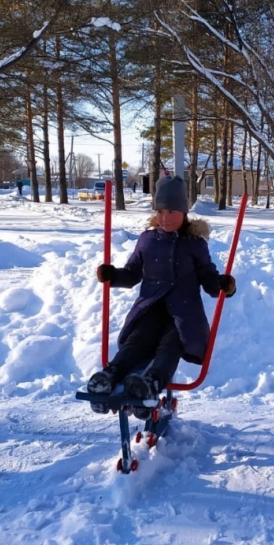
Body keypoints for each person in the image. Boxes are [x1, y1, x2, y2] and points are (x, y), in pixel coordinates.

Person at [87, 174, 236, 415]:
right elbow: (133, 273)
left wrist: (223, 285)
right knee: (137, 342)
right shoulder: (147, 240)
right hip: (150, 308)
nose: (164, 218)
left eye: (172, 212)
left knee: (170, 346)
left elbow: (209, 279)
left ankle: (151, 383)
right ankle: (108, 377)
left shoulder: (194, 243)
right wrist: (112, 276)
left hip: (183, 314)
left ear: (184, 212)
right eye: (160, 211)